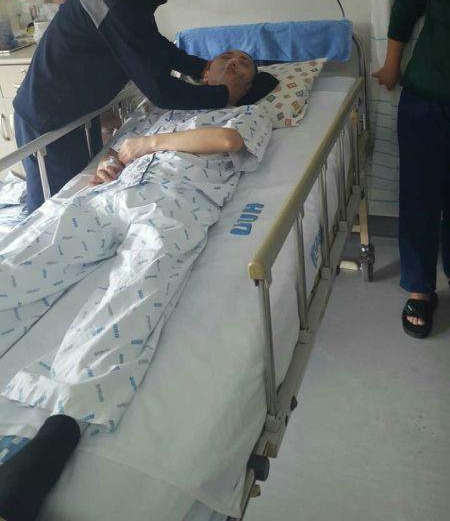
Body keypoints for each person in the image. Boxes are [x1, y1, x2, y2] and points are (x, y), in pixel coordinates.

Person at [0, 51, 274, 426]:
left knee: (134, 290)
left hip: (176, 201)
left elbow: (227, 140)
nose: (231, 63)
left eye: (242, 64)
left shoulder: (248, 114)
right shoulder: (161, 106)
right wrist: (107, 165)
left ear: (248, 85)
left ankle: (66, 415)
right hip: (112, 195)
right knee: (32, 252)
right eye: (224, 58)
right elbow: (119, 146)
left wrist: (149, 144)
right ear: (205, 72)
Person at [14, 0, 250, 215]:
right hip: (49, 120)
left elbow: (151, 43)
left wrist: (201, 67)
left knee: (77, 198)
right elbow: (159, 90)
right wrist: (222, 94)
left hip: (77, 115)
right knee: (50, 214)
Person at [373, 0, 450, 338]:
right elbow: (406, 8)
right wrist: (391, 65)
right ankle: (420, 288)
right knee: (420, 195)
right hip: (426, 99)